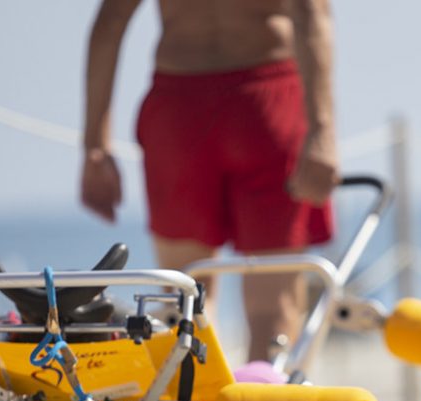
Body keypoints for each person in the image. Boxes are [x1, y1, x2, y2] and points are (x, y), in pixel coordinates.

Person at [80, 0, 338, 362]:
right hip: (264, 106)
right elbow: (311, 13)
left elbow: (112, 19)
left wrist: (95, 146)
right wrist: (322, 133)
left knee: (186, 295)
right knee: (271, 303)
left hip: (181, 110)